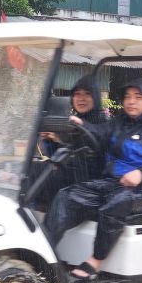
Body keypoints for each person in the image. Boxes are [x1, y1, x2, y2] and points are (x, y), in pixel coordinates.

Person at [44, 78, 142, 280]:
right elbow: (99, 133)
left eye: (138, 97)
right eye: (128, 97)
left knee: (116, 202)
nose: (131, 102)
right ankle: (44, 254)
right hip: (113, 183)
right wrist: (80, 124)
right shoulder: (120, 122)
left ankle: (95, 261)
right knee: (67, 196)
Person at [32, 76, 108, 206]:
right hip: (72, 172)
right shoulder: (72, 121)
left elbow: (98, 140)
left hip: (89, 179)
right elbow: (59, 152)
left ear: (95, 97)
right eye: (77, 94)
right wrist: (53, 139)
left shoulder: (104, 122)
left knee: (36, 173)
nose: (81, 98)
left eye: (87, 94)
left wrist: (83, 125)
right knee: (22, 167)